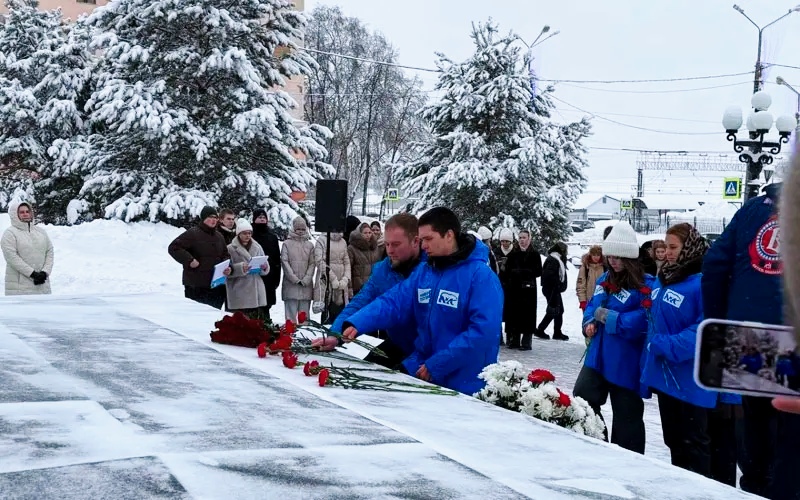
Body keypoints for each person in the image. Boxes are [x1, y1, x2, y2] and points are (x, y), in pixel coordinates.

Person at [337, 207, 503, 395]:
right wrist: (357, 323)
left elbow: (483, 333)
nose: (423, 246)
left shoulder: (480, 277)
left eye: (428, 239)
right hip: (423, 369)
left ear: (449, 235)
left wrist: (438, 364)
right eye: (422, 240)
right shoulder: (426, 272)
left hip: (463, 383)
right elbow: (394, 301)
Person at [702, 181, 788, 494]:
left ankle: (756, 485)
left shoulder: (754, 209)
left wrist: (722, 322)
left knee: (757, 427)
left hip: (750, 336)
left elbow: (714, 266)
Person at [640, 223, 713, 477]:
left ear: (689, 248)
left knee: (694, 442)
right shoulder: (665, 277)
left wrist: (664, 345)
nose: (667, 252)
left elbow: (703, 328)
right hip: (664, 374)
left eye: (673, 247)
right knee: (674, 441)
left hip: (690, 377)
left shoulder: (702, 282)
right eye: (666, 246)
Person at [574, 221, 653, 454]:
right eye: (611, 256)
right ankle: (595, 446)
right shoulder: (604, 280)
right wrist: (589, 322)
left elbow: (645, 319)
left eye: (619, 257)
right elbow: (592, 307)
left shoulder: (646, 285)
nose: (613, 261)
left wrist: (611, 319)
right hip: (597, 356)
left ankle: (628, 459)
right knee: (583, 402)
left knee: (626, 416)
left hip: (624, 361)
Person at [318, 213, 425, 369]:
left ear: (416, 241)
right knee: (367, 369)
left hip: (426, 350)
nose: (390, 251)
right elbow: (360, 302)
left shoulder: (432, 270)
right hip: (398, 342)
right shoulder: (383, 270)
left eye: (396, 244)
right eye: (387, 244)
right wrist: (336, 335)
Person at [168, 206, 230, 308]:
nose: (213, 220)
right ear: (203, 218)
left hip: (216, 285)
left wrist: (227, 266)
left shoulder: (219, 236)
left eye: (215, 218)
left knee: (214, 318)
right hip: (196, 285)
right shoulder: (193, 233)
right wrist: (189, 260)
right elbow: (174, 248)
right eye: (210, 217)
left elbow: (225, 254)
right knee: (197, 317)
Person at [1, 201, 54, 296]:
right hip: (19, 288)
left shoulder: (41, 232)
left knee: (44, 311)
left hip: (42, 285)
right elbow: (12, 257)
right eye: (21, 212)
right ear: (15, 214)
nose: (25, 214)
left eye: (27, 211)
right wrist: (33, 274)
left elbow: (49, 252)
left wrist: (45, 273)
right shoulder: (10, 233)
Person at [503, 229, 543, 350]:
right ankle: (514, 340)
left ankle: (526, 341)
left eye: (524, 237)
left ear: (529, 239)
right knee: (514, 314)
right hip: (514, 290)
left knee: (527, 315)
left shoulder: (535, 254)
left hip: (528, 290)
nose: (522, 240)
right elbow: (507, 270)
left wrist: (524, 272)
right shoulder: (513, 254)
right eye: (520, 238)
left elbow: (538, 271)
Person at [224, 219, 270, 315]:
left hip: (256, 289)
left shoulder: (257, 246)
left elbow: (265, 265)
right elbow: (226, 271)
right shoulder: (230, 249)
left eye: (249, 233)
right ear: (239, 234)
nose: (248, 235)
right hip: (239, 289)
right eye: (244, 233)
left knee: (255, 321)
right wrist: (240, 268)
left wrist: (264, 267)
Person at [280, 216, 315, 322]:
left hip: (306, 285)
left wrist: (307, 279)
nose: (300, 231)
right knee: (290, 318)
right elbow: (284, 262)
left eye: (303, 229)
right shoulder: (287, 244)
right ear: (294, 229)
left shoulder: (310, 245)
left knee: (304, 319)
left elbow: (312, 263)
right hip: (291, 285)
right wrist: (294, 278)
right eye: (298, 229)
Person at [313, 231, 350, 324]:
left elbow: (347, 262)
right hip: (326, 280)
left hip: (341, 281)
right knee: (326, 312)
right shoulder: (322, 240)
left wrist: (345, 279)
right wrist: (332, 278)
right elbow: (319, 260)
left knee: (339, 312)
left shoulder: (343, 241)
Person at [251, 209, 281, 321]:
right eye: (259, 217)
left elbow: (277, 259)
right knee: (253, 307)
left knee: (266, 306)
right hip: (253, 276)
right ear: (254, 219)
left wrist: (277, 278)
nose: (262, 219)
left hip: (269, 277)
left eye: (264, 217)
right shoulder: (250, 235)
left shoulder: (272, 236)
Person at [537, 242, 569, 341]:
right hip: (552, 289)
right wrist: (557, 284)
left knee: (558, 310)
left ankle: (557, 332)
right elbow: (549, 275)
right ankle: (541, 330)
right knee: (554, 310)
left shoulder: (555, 258)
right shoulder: (554, 259)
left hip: (553, 289)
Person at [348, 223, 382, 295]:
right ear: (360, 234)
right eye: (365, 233)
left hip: (372, 286)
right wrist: (349, 287)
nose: (368, 235)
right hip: (358, 287)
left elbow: (378, 266)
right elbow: (349, 269)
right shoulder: (352, 248)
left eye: (369, 232)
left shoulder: (374, 247)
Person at [495, 228, 515, 345]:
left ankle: (510, 336)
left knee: (510, 313)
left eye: (507, 241)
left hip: (511, 287)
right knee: (499, 312)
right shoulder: (497, 252)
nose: (505, 244)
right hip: (499, 285)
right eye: (503, 241)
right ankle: (499, 336)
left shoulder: (514, 252)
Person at [576, 245, 606, 312]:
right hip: (589, 303)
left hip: (603, 303)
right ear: (590, 255)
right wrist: (582, 301)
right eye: (594, 255)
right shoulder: (585, 268)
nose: (596, 257)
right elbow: (580, 286)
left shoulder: (605, 267)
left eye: (598, 255)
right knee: (589, 322)